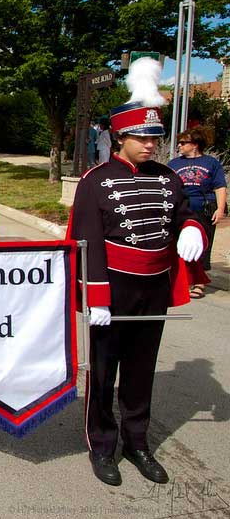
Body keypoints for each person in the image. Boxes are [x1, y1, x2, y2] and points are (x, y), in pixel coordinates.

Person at [68, 59, 206, 488]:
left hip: (153, 286)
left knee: (142, 369)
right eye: (141, 137)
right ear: (121, 138)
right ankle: (102, 444)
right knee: (105, 370)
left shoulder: (168, 179)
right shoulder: (95, 181)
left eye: (154, 137)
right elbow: (86, 241)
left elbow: (185, 212)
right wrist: (98, 299)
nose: (150, 145)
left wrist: (192, 229)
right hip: (114, 286)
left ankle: (138, 441)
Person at [167, 126, 227, 298]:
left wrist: (220, 208)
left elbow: (220, 186)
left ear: (194, 145)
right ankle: (181, 279)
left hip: (203, 209)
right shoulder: (174, 164)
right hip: (181, 210)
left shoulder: (211, 163)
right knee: (179, 245)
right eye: (179, 142)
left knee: (202, 245)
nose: (179, 145)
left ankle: (199, 282)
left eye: (183, 143)